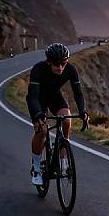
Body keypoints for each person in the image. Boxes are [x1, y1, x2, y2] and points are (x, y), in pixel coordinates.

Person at [26, 43, 89, 185]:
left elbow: (78, 93)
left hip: (55, 97)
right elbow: (33, 96)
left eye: (63, 63)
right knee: (41, 131)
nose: (60, 67)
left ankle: (63, 160)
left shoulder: (71, 70)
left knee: (66, 121)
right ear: (48, 61)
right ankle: (36, 168)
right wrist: (38, 115)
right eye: (56, 64)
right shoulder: (38, 69)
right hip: (38, 98)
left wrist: (82, 111)